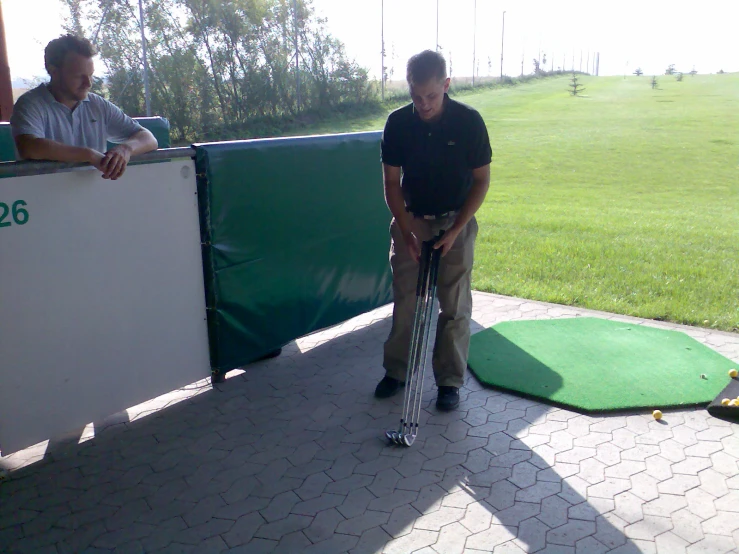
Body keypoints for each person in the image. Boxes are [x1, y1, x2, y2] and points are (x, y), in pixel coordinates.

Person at [376, 49, 492, 411]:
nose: (423, 105)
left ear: (446, 84)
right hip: (412, 219)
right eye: (415, 96)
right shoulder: (397, 123)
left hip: (455, 219)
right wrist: (408, 231)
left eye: (431, 95)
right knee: (406, 298)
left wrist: (457, 229)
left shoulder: (468, 122)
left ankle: (449, 382)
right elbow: (391, 184)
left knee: (454, 305)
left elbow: (482, 181)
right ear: (408, 87)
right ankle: (397, 372)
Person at [10, 34, 158, 180]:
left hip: (91, 196)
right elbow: (29, 147)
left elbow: (148, 138)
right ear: (54, 72)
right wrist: (89, 155)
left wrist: (125, 149)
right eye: (79, 76)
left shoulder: (99, 105)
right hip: (41, 198)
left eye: (91, 75)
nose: (88, 83)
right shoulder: (30, 104)